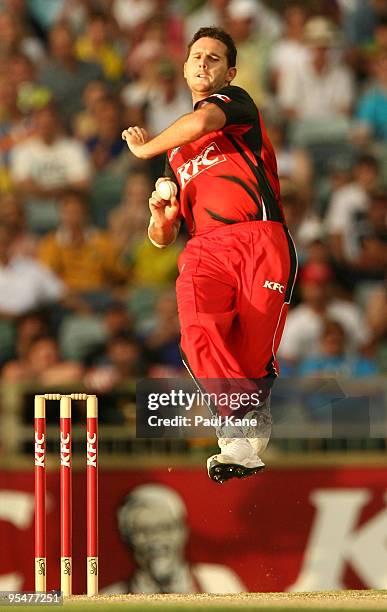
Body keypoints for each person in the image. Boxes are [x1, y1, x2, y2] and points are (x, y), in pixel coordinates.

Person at [122, 27, 297, 483]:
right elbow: (162, 237)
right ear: (184, 66)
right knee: (197, 329)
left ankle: (251, 410)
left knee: (251, 354)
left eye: (214, 58)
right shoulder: (175, 156)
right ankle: (237, 427)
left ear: (229, 72)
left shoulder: (236, 104)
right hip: (205, 249)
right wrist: (160, 214)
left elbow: (200, 123)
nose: (203, 63)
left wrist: (143, 147)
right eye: (196, 56)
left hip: (261, 239)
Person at [104, 483, 245, 593]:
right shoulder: (109, 599)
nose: (156, 539)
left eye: (165, 528)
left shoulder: (220, 583)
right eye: (144, 531)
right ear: (126, 538)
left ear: (183, 531)